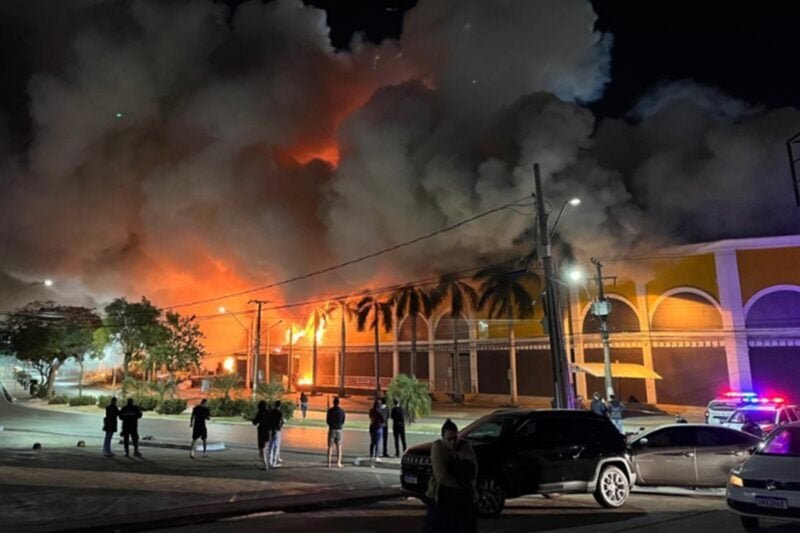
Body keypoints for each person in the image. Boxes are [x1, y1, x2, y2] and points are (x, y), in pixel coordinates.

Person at [424, 419, 478, 533]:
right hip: (441, 496)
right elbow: (441, 476)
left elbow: (472, 469)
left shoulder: (465, 446)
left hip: (463, 496)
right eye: (449, 439)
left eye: (455, 438)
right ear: (443, 439)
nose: (453, 442)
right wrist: (459, 484)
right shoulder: (438, 447)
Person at [326, 396, 346, 468]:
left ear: (333, 402)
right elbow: (343, 420)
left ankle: (329, 463)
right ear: (339, 403)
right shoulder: (342, 411)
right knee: (339, 447)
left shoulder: (330, 411)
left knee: (330, 447)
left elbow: (327, 420)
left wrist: (331, 425)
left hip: (332, 429)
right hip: (339, 429)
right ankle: (338, 463)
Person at [252, 400, 271, 469]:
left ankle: (265, 464)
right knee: (264, 447)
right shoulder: (269, 412)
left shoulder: (260, 413)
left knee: (261, 448)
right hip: (268, 431)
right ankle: (261, 461)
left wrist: (253, 420)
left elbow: (255, 422)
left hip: (261, 431)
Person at [368, 399, 385, 466]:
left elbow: (370, 417)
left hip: (372, 427)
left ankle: (371, 455)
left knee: (372, 442)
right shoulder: (380, 412)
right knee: (377, 442)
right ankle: (376, 456)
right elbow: (383, 420)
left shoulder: (371, 411)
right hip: (378, 427)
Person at [268, 400, 284, 467]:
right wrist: (280, 426)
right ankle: (274, 462)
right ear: (280, 406)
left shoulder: (271, 412)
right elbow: (281, 421)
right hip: (277, 430)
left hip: (271, 429)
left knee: (271, 445)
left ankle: (270, 461)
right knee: (276, 446)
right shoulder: (279, 413)